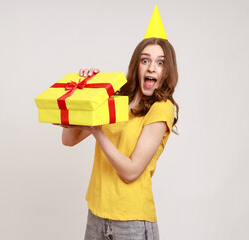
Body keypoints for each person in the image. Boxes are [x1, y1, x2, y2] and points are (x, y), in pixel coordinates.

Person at [59, 37, 179, 240]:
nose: (151, 68)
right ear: (136, 65)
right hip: (96, 214)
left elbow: (131, 172)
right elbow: (69, 139)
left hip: (132, 223)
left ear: (167, 71)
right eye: (145, 60)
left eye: (160, 62)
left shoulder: (162, 107)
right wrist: (85, 91)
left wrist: (97, 131)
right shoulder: (114, 98)